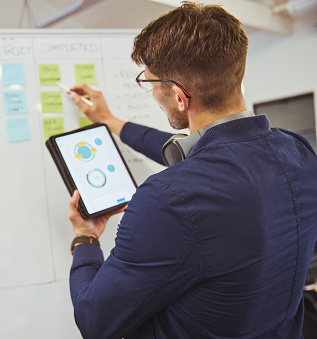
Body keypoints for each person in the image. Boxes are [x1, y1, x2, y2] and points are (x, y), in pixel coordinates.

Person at [66, 2, 317, 338]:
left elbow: (95, 320)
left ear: (180, 97)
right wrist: (112, 122)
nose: (152, 91)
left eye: (151, 82)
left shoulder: (169, 198)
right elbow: (194, 150)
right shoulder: (297, 152)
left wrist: (85, 237)